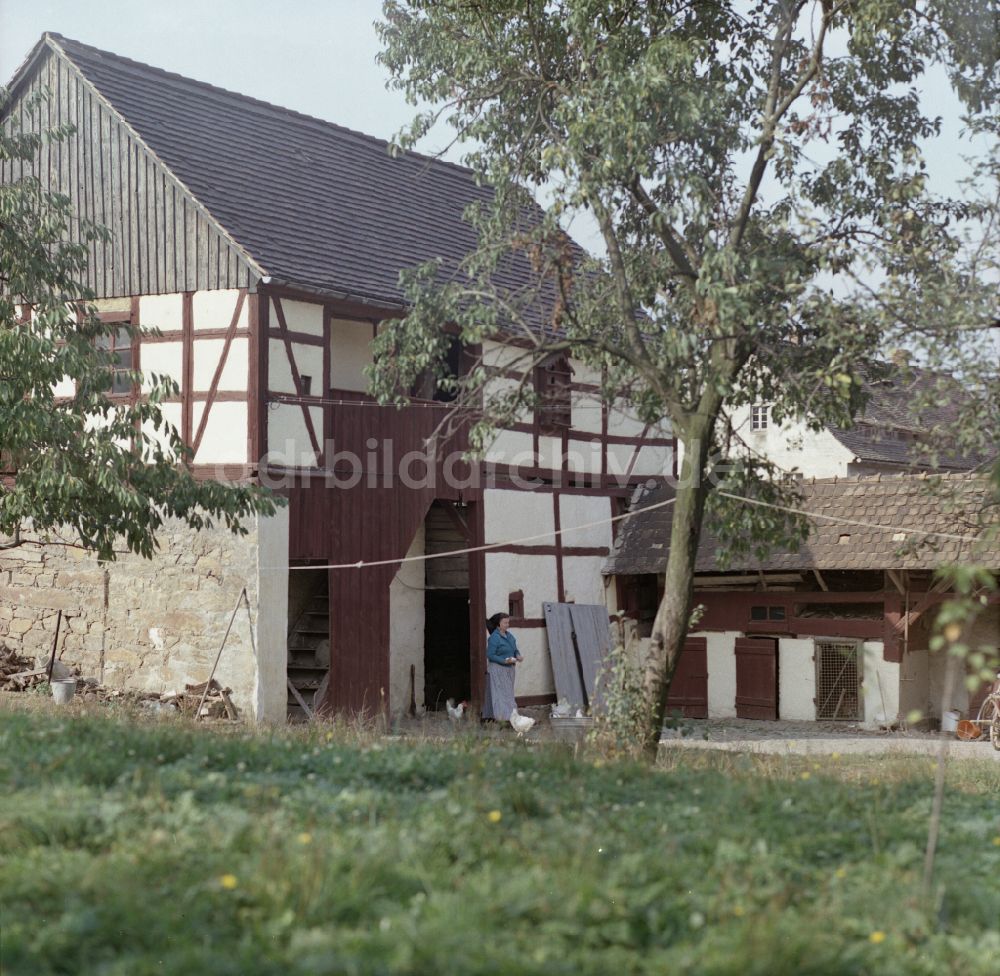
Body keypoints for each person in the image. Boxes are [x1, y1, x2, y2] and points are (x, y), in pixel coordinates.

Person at [481, 612, 531, 730]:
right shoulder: (494, 638)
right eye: (505, 622)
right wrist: (504, 661)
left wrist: (518, 655)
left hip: (509, 669)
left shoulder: (509, 636)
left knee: (507, 694)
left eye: (508, 622)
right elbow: (490, 655)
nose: (507, 624)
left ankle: (494, 717)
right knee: (502, 696)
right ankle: (504, 719)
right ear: (498, 624)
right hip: (497, 669)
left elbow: (515, 649)